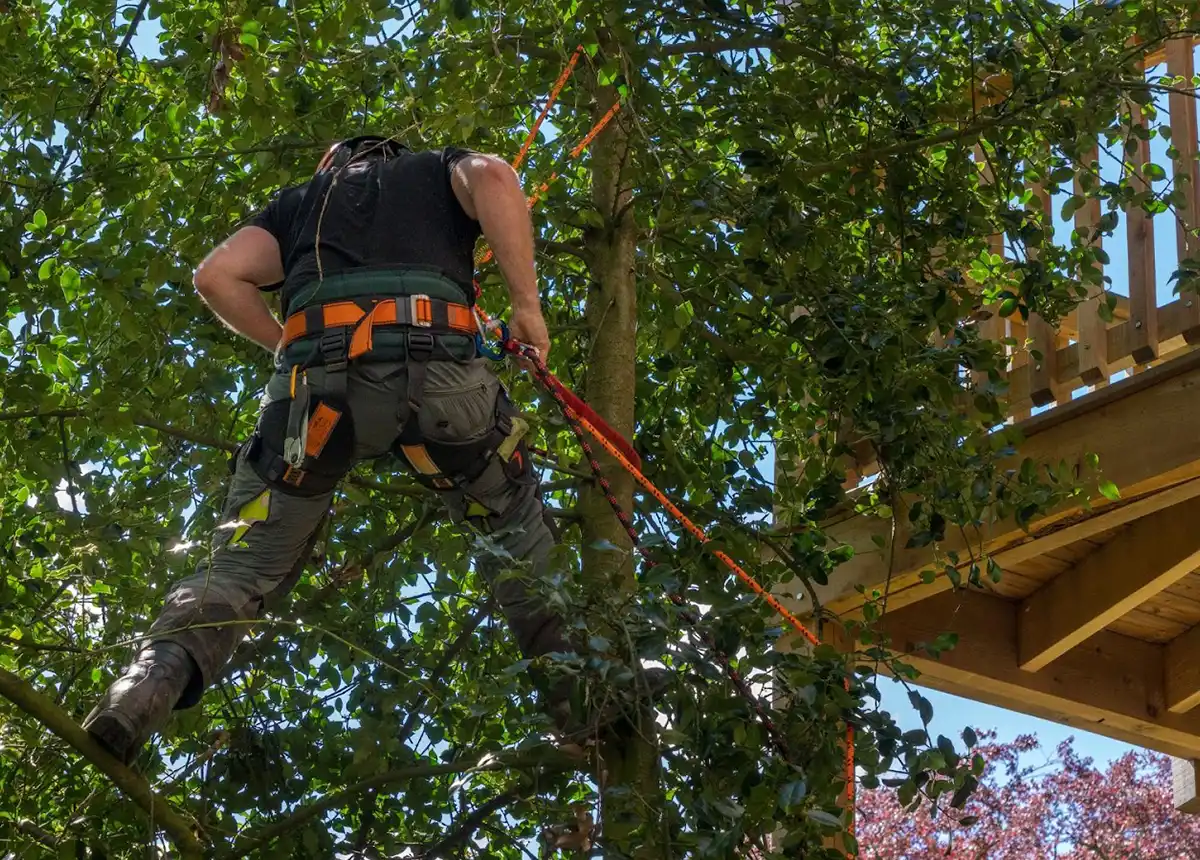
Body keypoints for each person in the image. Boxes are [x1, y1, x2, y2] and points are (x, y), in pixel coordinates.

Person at [81, 136, 660, 765]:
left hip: (316, 398)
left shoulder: (301, 202)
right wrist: (526, 306)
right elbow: (494, 176)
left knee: (242, 568)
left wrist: (288, 344)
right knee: (513, 524)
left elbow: (215, 277)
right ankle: (589, 708)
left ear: (330, 163)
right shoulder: (435, 170)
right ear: (390, 155)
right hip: (444, 385)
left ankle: (147, 684)